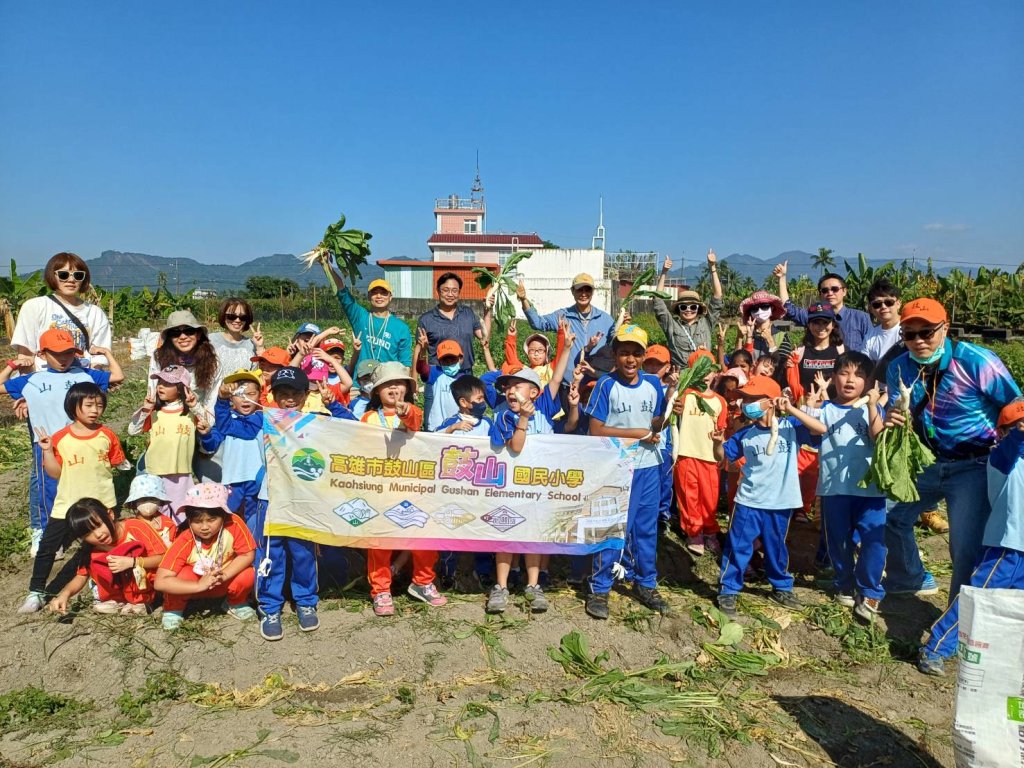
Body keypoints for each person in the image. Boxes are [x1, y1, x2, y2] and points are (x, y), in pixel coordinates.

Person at [883, 298, 1021, 602]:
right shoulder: (899, 368)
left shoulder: (977, 361)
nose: (918, 341)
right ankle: (911, 577)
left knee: (964, 547)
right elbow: (896, 411)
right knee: (889, 517)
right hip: (929, 462)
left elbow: (1015, 406)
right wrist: (891, 418)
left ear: (944, 328)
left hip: (974, 465)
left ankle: (957, 625)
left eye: (927, 332)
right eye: (910, 334)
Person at [917, 399, 1024, 676]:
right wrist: (1020, 435)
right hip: (1005, 547)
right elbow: (1013, 448)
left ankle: (999, 660)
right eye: (1014, 426)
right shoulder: (1001, 459)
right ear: (1001, 433)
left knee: (1013, 611)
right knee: (976, 599)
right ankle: (936, 648)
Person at [0, 329, 120, 558]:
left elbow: (116, 376)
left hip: (80, 440)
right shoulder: (32, 380)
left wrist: (106, 353)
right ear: (42, 354)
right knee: (47, 488)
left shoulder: (84, 375)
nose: (64, 358)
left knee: (83, 485)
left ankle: (88, 530)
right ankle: (46, 533)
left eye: (69, 353)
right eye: (57, 353)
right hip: (46, 443)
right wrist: (13, 365)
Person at [255, 366, 354, 640]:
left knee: (303, 553)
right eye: (282, 393)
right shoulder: (262, 419)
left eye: (295, 393)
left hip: (304, 499)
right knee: (271, 555)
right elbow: (230, 423)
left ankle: (306, 602)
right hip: (271, 497)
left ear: (304, 395)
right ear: (272, 395)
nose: (289, 399)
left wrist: (336, 406)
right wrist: (224, 401)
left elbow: (351, 430)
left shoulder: (317, 421)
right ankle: (270, 606)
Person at [716, 375, 827, 620]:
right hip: (749, 501)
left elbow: (821, 429)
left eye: (752, 399)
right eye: (745, 399)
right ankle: (729, 588)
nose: (746, 404)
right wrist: (717, 443)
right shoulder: (745, 434)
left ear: (770, 401)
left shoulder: (791, 428)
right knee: (739, 545)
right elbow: (722, 456)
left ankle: (781, 586)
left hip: (781, 502)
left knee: (776, 547)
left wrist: (790, 409)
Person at [584, 325, 669, 619]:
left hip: (648, 467)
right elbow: (595, 430)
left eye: (636, 353)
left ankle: (645, 583)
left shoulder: (653, 385)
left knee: (645, 529)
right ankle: (600, 588)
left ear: (644, 356)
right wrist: (638, 433)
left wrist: (670, 416)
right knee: (612, 527)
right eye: (624, 353)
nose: (630, 360)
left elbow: (656, 423)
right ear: (615, 355)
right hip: (616, 468)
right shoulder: (606, 385)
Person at [21, 383, 127, 613]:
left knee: (98, 548)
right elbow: (54, 473)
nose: (95, 410)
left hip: (101, 505)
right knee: (47, 547)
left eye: (99, 405)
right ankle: (36, 591)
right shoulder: (60, 438)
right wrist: (47, 450)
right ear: (73, 406)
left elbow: (117, 462)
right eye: (88, 405)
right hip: (67, 502)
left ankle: (102, 586)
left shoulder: (107, 435)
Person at [804, 352, 887, 622]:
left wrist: (874, 407)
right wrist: (809, 405)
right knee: (838, 541)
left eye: (859, 375)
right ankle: (844, 583)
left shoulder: (870, 409)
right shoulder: (824, 410)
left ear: (869, 381)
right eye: (844, 373)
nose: (850, 380)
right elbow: (813, 431)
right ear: (834, 377)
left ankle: (870, 588)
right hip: (834, 488)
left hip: (871, 490)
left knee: (874, 541)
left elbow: (879, 438)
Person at [360, 361, 447, 616]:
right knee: (379, 542)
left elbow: (413, 422)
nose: (394, 388)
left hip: (412, 487)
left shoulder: (414, 411)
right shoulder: (369, 418)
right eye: (388, 384)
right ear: (377, 391)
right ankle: (381, 590)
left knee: (424, 537)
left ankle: (423, 582)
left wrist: (404, 411)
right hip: (379, 489)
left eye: (399, 383)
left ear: (407, 389)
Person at [155, 483, 257, 631]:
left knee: (249, 573)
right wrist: (199, 585)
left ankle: (235, 602)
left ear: (223, 515)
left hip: (222, 579)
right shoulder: (185, 539)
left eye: (211, 520)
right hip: (192, 586)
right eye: (197, 521)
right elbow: (160, 582)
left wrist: (225, 575)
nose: (204, 527)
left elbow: (248, 554)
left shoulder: (234, 524)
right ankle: (173, 609)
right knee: (181, 574)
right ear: (189, 520)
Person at [47, 498, 167, 616]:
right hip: (124, 589)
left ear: (110, 514)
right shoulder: (93, 549)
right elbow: (81, 576)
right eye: (87, 534)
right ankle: (118, 600)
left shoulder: (135, 527)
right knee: (96, 560)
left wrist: (134, 562)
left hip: (152, 584)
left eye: (98, 525)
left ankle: (147, 600)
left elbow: (164, 558)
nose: (98, 535)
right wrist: (65, 594)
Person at [11, 252, 112, 370]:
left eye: (78, 275)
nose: (71, 280)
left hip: (81, 379)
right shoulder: (34, 307)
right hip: (43, 379)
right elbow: (25, 354)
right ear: (52, 276)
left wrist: (93, 382)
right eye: (63, 275)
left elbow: (99, 356)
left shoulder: (95, 313)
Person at [520, 272, 615, 397]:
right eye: (579, 290)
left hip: (596, 383)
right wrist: (523, 300)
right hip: (568, 384)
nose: (584, 294)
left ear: (593, 292)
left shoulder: (606, 319)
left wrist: (624, 324)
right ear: (572, 291)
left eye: (588, 290)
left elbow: (615, 348)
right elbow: (538, 323)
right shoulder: (563, 316)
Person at [128, 365, 204, 518]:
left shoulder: (190, 413)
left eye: (168, 383)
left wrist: (195, 406)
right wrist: (145, 410)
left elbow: (210, 423)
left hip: (180, 472)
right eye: (160, 382)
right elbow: (133, 431)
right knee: (157, 512)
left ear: (182, 388)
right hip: (155, 472)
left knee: (181, 511)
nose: (161, 386)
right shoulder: (154, 413)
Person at [672, 350, 728, 557]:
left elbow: (721, 430)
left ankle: (710, 531)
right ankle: (694, 532)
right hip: (686, 453)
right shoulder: (684, 395)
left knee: (710, 497)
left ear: (715, 373)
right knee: (689, 494)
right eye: (700, 369)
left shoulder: (720, 402)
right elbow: (672, 412)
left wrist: (720, 447)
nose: (705, 375)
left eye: (709, 370)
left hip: (710, 456)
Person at [198, 371, 265, 519]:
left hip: (256, 480)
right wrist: (206, 435)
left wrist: (221, 404)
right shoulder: (224, 421)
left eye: (251, 393)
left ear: (260, 395)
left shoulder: (261, 418)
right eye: (239, 394)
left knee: (254, 517)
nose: (245, 399)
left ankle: (252, 542)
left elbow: (244, 430)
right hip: (232, 479)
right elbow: (211, 446)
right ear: (231, 398)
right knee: (228, 515)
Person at [774, 262, 872, 352]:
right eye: (825, 290)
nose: (830, 293)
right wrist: (782, 278)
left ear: (844, 291)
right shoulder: (812, 315)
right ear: (820, 294)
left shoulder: (861, 318)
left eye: (835, 289)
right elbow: (789, 309)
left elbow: (872, 347)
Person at [653, 251, 724, 368]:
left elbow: (717, 297)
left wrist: (712, 267)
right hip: (680, 376)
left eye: (693, 307)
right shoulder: (671, 325)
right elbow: (658, 301)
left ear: (698, 308)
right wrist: (664, 272)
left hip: (702, 374)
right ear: (679, 309)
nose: (688, 310)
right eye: (684, 307)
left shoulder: (706, 323)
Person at [330, 272, 412, 366]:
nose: (379, 296)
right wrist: (327, 265)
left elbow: (405, 363)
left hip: (387, 379)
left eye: (384, 293)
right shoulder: (360, 316)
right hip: (361, 379)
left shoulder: (401, 328)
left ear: (390, 297)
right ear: (369, 296)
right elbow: (342, 291)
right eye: (374, 292)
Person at [150, 310, 220, 416]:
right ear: (169, 338)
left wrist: (205, 422)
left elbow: (211, 401)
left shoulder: (211, 361)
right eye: (175, 333)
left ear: (199, 334)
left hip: (199, 415)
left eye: (189, 331)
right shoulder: (159, 357)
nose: (183, 337)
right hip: (169, 415)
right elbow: (152, 391)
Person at [417, 273, 484, 375]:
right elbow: (418, 349)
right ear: (438, 291)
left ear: (459, 292)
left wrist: (488, 311)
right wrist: (414, 382)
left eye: (454, 291)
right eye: (446, 290)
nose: (450, 294)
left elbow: (484, 337)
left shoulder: (468, 313)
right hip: (438, 374)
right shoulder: (426, 319)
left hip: (465, 373)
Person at [414, 331, 464, 431]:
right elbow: (421, 368)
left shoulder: (465, 379)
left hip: (458, 426)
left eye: (452, 359)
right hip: (436, 425)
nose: (449, 363)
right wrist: (423, 351)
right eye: (445, 360)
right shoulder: (436, 373)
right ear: (439, 361)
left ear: (460, 358)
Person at [209, 298, 262, 375]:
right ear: (223, 317)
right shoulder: (210, 340)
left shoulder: (252, 345)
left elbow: (259, 375)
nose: (237, 320)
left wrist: (259, 347)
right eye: (231, 316)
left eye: (242, 317)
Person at [124, 473, 177, 547]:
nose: (147, 503)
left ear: (160, 501)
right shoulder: (129, 525)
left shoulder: (168, 524)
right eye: (143, 499)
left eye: (152, 499)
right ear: (135, 502)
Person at [737, 290, 787, 361]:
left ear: (772, 309)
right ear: (750, 313)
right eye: (755, 308)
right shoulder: (745, 334)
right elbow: (736, 362)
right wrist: (739, 338)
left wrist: (770, 341)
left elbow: (783, 366)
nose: (760, 311)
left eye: (764, 307)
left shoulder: (782, 336)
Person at [862, 278, 903, 363]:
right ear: (871, 309)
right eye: (877, 304)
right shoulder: (869, 337)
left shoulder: (910, 331)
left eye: (889, 302)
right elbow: (864, 366)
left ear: (898, 304)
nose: (883, 307)